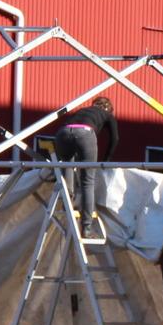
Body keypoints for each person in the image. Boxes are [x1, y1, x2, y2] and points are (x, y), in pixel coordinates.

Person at [55, 96, 117, 237]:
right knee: (88, 181)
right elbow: (115, 138)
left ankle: (67, 204)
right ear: (108, 109)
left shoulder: (83, 110)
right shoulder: (107, 115)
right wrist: (106, 161)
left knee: (67, 165)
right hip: (85, 133)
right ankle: (87, 227)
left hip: (63, 133)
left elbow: (70, 128)